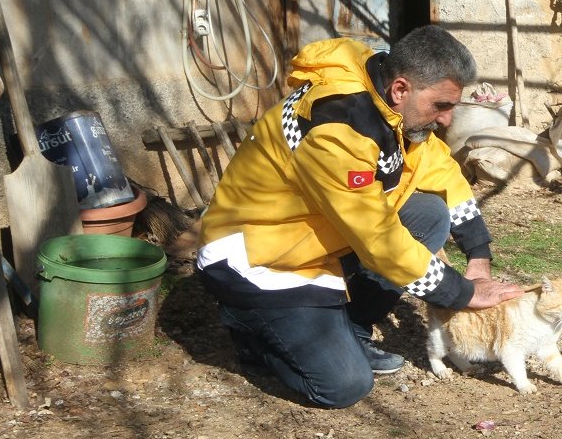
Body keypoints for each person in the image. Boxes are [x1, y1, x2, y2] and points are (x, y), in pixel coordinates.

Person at [195, 25, 524, 408]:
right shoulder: (340, 129)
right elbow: (379, 239)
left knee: (429, 214)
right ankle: (251, 329)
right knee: (343, 385)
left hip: (312, 240)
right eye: (441, 106)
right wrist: (463, 293)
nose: (447, 121)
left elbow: (440, 171)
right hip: (257, 259)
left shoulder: (389, 104)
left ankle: (349, 327)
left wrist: (478, 256)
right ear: (401, 89)